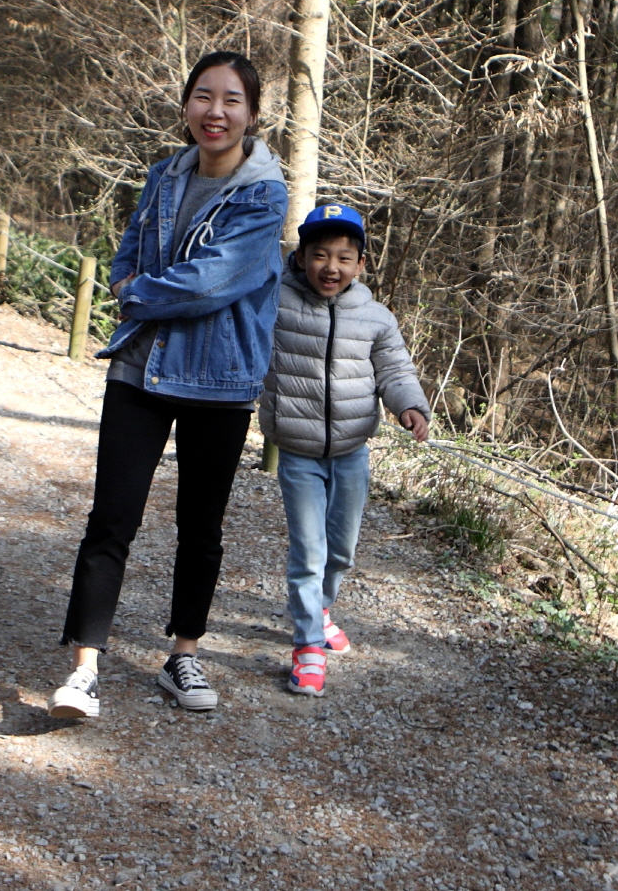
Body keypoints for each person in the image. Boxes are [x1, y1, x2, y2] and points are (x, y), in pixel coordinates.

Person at [49, 51, 288, 721]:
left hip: (220, 377)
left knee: (200, 526)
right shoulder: (164, 175)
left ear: (251, 114)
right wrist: (129, 282)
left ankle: (183, 654)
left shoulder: (265, 194)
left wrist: (136, 294)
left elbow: (217, 281)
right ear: (186, 105)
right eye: (203, 96)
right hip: (141, 364)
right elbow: (128, 251)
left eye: (232, 100)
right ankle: (84, 669)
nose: (216, 112)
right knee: (111, 518)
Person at [260, 203, 430, 697]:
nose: (330, 267)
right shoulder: (275, 302)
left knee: (342, 550)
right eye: (319, 255)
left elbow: (395, 370)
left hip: (353, 450)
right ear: (301, 258)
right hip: (297, 450)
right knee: (309, 552)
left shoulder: (376, 318)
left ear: (360, 265)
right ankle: (308, 645)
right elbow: (245, 345)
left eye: (343, 257)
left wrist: (409, 406)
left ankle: (321, 608)